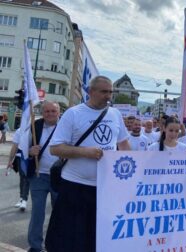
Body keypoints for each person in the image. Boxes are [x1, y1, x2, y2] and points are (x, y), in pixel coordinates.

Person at [45, 76, 130, 252]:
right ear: (90, 92)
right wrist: (85, 152)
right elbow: (55, 148)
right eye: (104, 92)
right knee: (69, 239)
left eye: (111, 92)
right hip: (74, 187)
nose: (108, 96)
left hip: (104, 189)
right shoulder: (74, 113)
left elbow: (124, 146)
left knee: (97, 238)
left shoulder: (115, 114)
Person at [26, 101, 60, 252]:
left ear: (59, 112)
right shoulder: (34, 125)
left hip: (60, 177)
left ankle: (55, 245)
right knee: (37, 213)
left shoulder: (66, 126)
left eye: (53, 111)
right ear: (42, 112)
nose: (50, 114)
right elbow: (22, 146)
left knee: (58, 214)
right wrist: (29, 151)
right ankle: (35, 246)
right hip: (38, 175)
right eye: (47, 111)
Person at [7, 127, 29, 211]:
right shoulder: (19, 131)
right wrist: (10, 161)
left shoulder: (35, 129)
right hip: (21, 157)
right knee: (22, 178)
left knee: (26, 178)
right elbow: (15, 146)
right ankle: (22, 198)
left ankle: (24, 199)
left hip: (31, 157)